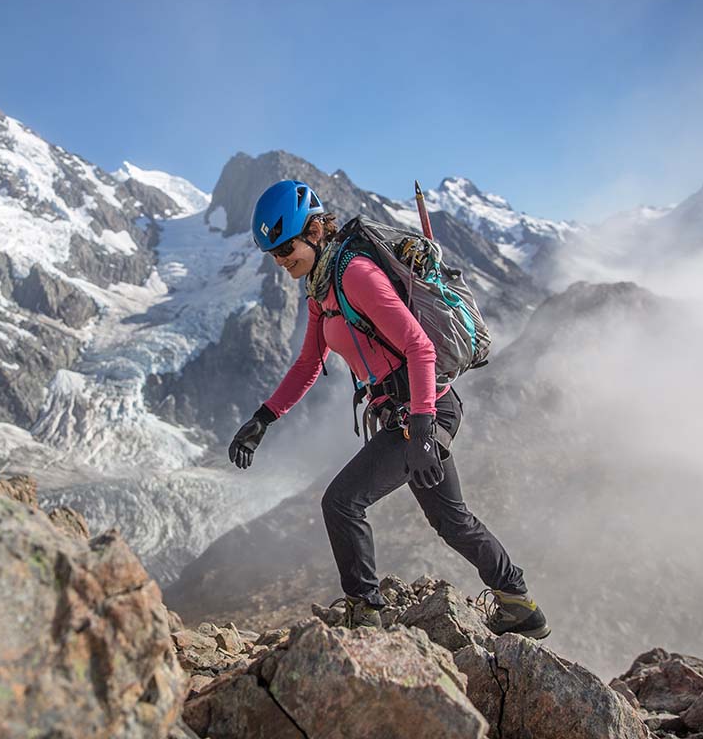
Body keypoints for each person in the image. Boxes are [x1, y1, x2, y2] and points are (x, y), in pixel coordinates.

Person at [229, 179, 549, 637]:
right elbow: (308, 363)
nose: (280, 261)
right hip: (410, 412)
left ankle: (365, 615)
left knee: (342, 503)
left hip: (424, 410)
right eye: (274, 254)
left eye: (285, 249)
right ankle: (520, 606)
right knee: (451, 520)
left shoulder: (355, 275)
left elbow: (420, 348)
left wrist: (422, 431)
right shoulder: (321, 288)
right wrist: (263, 418)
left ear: (314, 231)